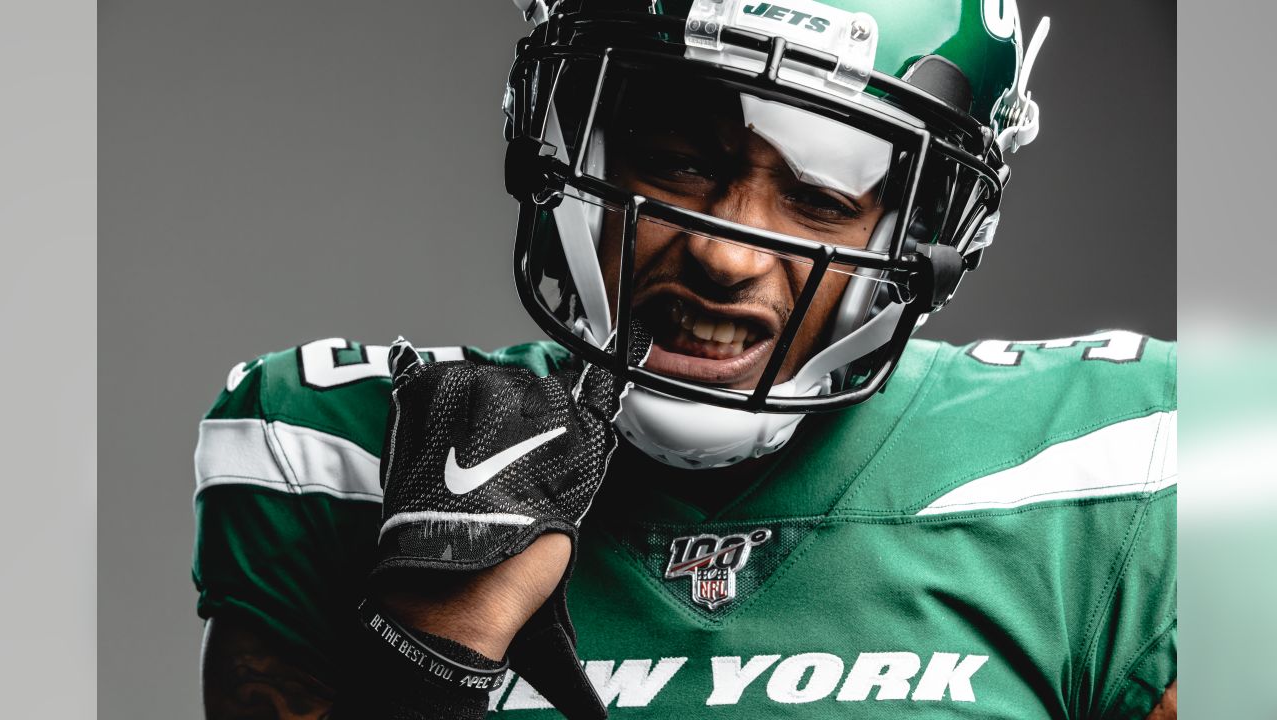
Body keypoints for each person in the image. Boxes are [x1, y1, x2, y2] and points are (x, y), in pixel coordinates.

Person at [193, 1, 1176, 718]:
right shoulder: (344, 448)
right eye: (678, 158)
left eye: (822, 195)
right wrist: (426, 644)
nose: (724, 250)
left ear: (925, 235)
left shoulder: (1099, 483)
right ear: (564, 143)